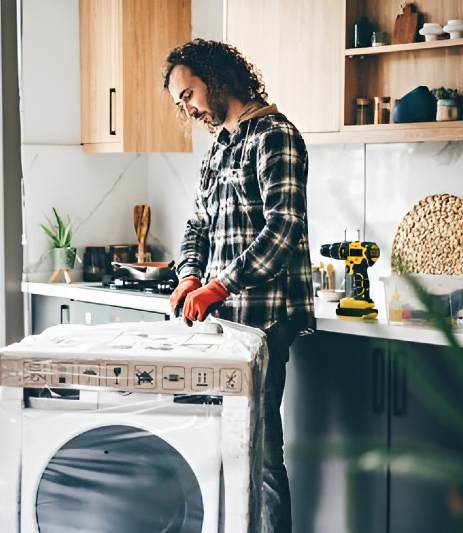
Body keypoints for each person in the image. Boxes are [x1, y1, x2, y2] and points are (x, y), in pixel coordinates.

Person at [163, 39, 315, 533]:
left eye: (188, 94)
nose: (187, 107)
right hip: (224, 323)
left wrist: (220, 285)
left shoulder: (277, 136)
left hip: (266, 320)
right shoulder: (220, 147)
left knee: (264, 455)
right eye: (179, 101)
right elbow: (196, 226)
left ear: (216, 76)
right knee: (227, 449)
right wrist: (190, 276)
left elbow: (283, 228)